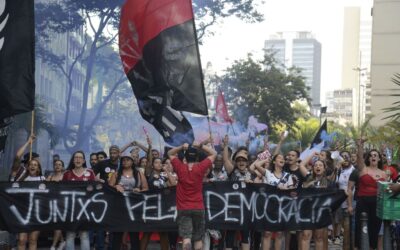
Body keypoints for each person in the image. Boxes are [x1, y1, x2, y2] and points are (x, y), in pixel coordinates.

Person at [168, 142, 216, 250]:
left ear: (185, 157)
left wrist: (181, 146)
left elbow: (170, 153)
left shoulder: (179, 167)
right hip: (198, 207)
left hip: (183, 208)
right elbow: (214, 154)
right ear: (197, 157)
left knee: (186, 238)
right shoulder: (200, 167)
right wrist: (201, 145)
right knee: (198, 238)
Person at [352, 139, 387, 250]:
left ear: (379, 158)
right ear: (368, 158)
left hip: (377, 203)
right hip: (363, 201)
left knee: (374, 228)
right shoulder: (363, 169)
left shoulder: (383, 173)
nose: (373, 157)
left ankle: (372, 247)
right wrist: (360, 146)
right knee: (361, 226)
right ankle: (359, 247)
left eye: (375, 155)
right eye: (371, 155)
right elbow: (359, 159)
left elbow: (385, 191)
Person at [108, 154, 148, 250]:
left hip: (134, 207)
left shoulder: (138, 173)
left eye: (127, 160)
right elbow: (108, 187)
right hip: (119, 207)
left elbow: (146, 188)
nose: (125, 162)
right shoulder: (117, 173)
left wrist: (139, 191)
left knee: (134, 234)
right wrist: (115, 187)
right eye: (123, 160)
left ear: (132, 162)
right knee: (117, 234)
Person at [300, 154, 335, 250]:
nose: (318, 167)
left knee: (319, 237)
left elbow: (333, 198)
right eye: (315, 165)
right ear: (313, 168)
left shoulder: (329, 182)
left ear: (324, 169)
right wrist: (312, 154)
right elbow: (301, 165)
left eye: (320, 165)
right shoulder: (308, 177)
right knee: (306, 235)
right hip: (307, 212)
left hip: (321, 213)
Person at [62, 151, 96, 250]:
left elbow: (94, 190)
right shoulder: (67, 174)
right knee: (70, 235)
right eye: (76, 157)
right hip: (70, 209)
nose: (78, 159)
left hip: (85, 209)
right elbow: (62, 190)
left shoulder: (90, 173)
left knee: (84, 235)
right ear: (73, 160)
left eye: (80, 157)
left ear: (84, 160)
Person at [17, 159, 45, 250]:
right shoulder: (22, 179)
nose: (33, 166)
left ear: (38, 168)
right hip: (23, 213)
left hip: (36, 214)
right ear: (28, 167)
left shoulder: (43, 179)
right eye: (31, 165)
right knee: (22, 239)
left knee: (33, 239)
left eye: (35, 165)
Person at [47, 160, 66, 250]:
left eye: (59, 165)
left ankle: (53, 246)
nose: (57, 166)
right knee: (55, 224)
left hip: (62, 203)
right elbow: (45, 186)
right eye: (56, 165)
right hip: (51, 203)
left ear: (62, 167)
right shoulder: (50, 176)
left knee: (57, 224)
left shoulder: (65, 176)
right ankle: (62, 241)